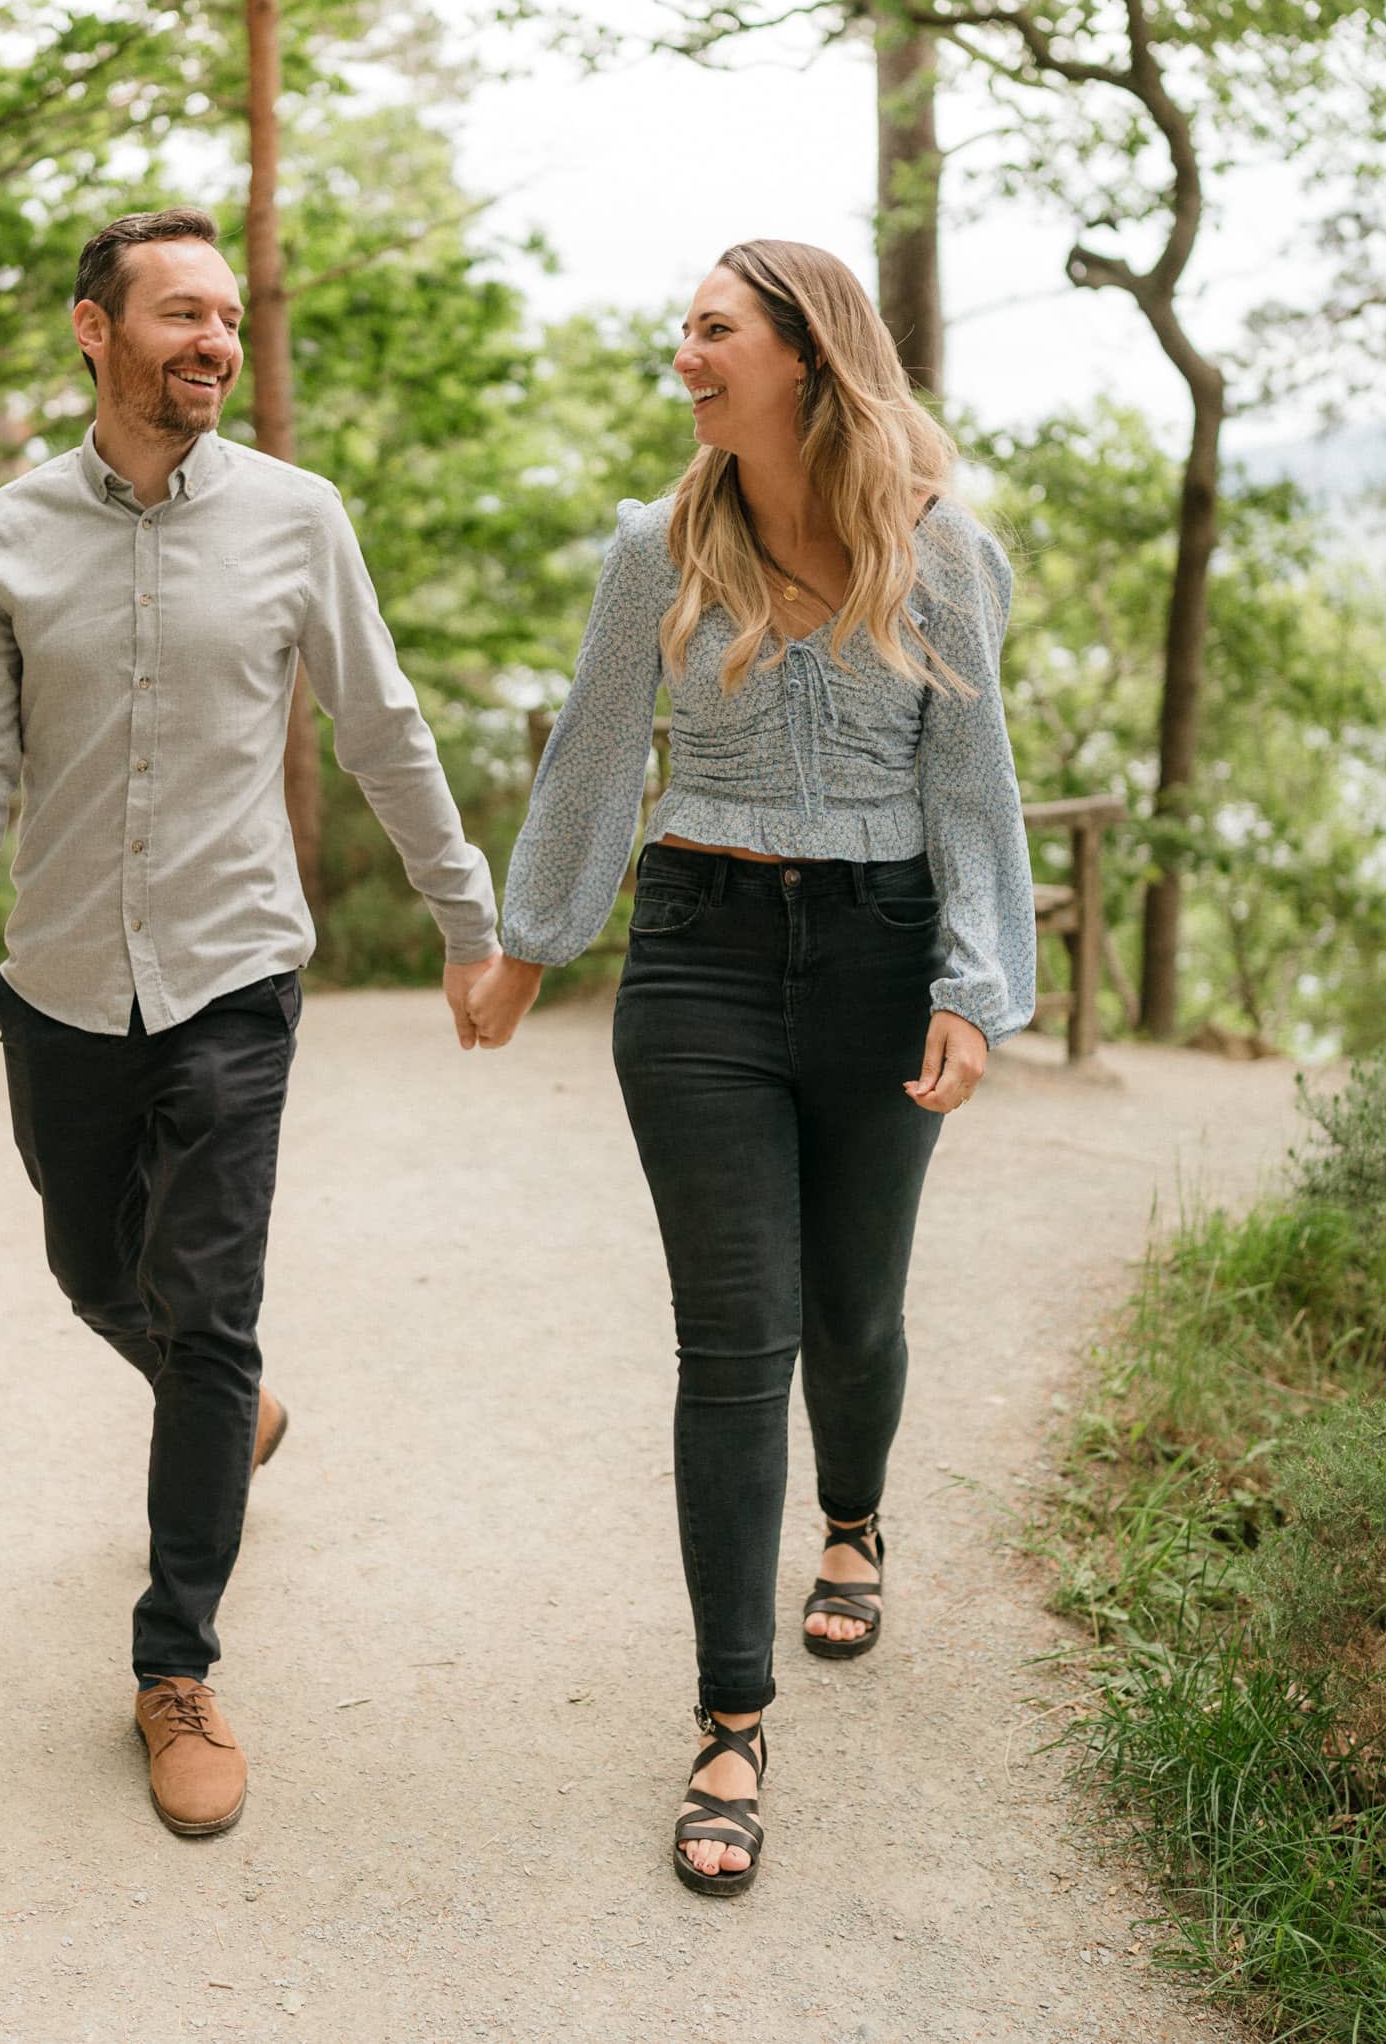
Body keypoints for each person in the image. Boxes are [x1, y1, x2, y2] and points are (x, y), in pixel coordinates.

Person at [0, 206, 500, 1840]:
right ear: (96, 331)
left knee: (209, 1311)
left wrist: (469, 924)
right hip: (64, 984)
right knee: (99, 1277)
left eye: (227, 315)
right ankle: (234, 1417)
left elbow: (382, 727)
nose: (215, 340)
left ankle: (175, 1665)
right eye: (180, 314)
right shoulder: (7, 532)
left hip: (234, 978)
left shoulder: (299, 518)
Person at [468, 239, 1035, 1896]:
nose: (685, 357)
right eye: (686, 331)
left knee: (853, 1317)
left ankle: (852, 1522)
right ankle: (731, 1721)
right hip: (699, 954)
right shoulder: (655, 546)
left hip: (880, 957)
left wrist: (974, 985)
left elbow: (972, 780)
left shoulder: (941, 553)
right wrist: (528, 945)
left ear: (805, 354)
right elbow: (593, 755)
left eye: (713, 331)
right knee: (733, 1343)